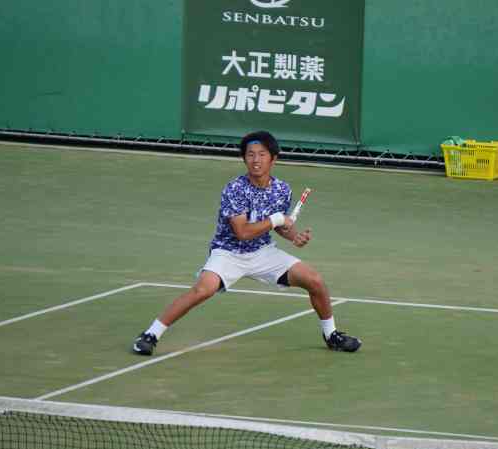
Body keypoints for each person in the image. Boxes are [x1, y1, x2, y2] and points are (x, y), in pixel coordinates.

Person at [132, 131, 361, 355]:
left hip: (262, 252)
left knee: (315, 280)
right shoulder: (235, 189)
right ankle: (150, 335)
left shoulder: (282, 190)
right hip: (228, 252)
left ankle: (331, 335)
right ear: (244, 159)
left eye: (261, 154)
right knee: (203, 290)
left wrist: (294, 236)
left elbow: (279, 226)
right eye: (250, 155)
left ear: (273, 159)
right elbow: (242, 232)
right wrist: (277, 220)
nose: (255, 160)